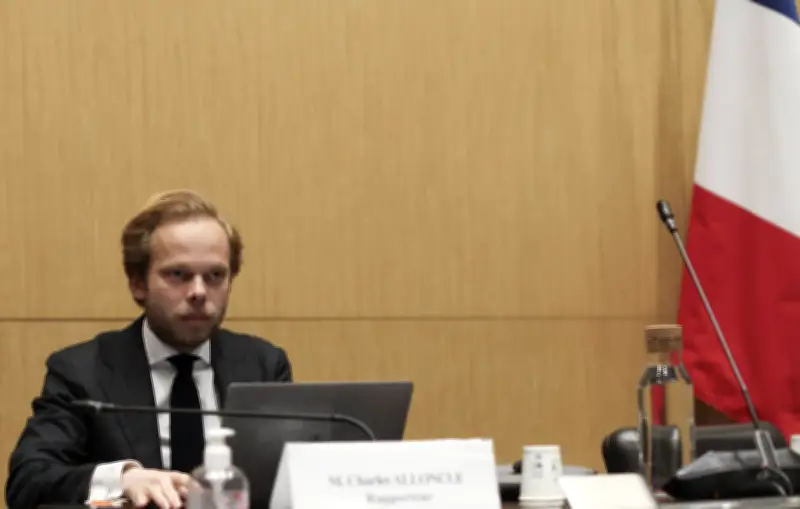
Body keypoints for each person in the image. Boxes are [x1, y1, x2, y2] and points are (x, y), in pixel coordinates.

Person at [5, 190, 292, 509]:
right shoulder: (83, 371)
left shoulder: (263, 365)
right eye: (178, 275)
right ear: (137, 283)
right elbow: (28, 481)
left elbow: (292, 482)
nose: (199, 292)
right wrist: (122, 479)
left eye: (215, 276)